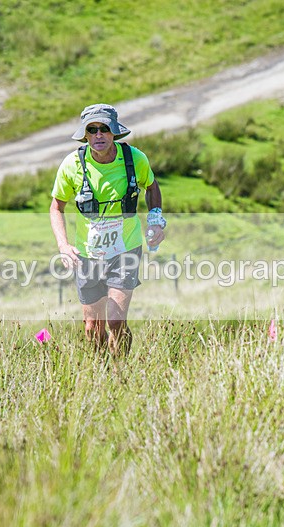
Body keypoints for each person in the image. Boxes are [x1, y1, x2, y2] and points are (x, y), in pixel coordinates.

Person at [50, 103, 165, 356]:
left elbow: (152, 186)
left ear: (114, 131)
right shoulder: (72, 165)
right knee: (93, 327)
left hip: (125, 249)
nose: (99, 135)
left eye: (104, 128)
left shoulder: (135, 159)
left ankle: (120, 372)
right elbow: (56, 206)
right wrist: (63, 244)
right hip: (87, 255)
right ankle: (99, 373)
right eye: (92, 130)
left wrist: (155, 219)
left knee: (115, 321)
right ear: (85, 134)